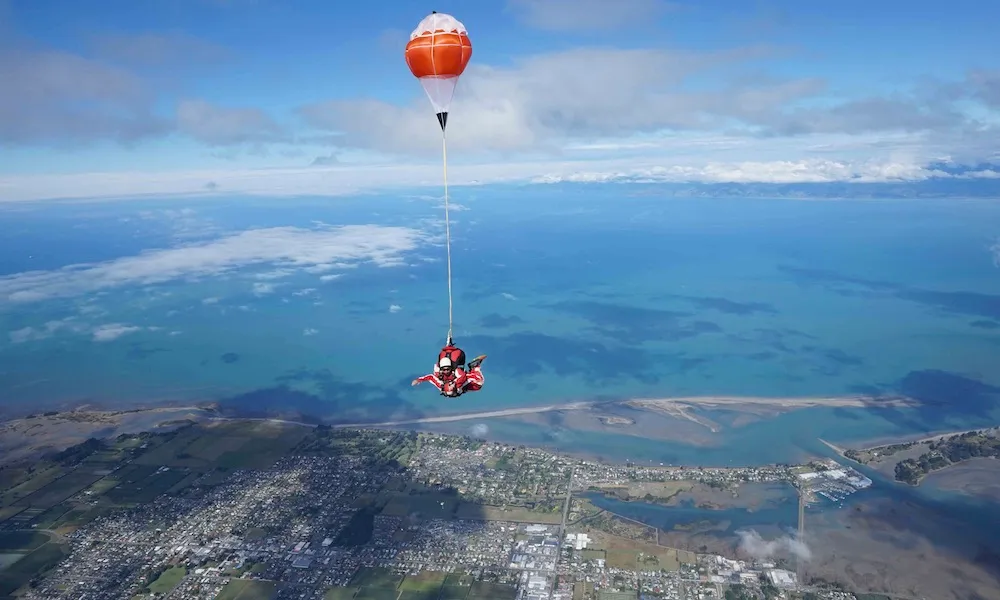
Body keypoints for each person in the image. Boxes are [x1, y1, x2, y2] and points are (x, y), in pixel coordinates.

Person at [412, 350, 486, 397]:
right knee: (477, 386)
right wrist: (419, 380)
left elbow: (464, 377)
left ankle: (474, 366)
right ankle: (474, 369)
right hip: (461, 386)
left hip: (461, 380)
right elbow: (431, 377)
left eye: (448, 369)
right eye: (444, 369)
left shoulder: (454, 374)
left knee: (479, 382)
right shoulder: (445, 384)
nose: (446, 371)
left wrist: (419, 380)